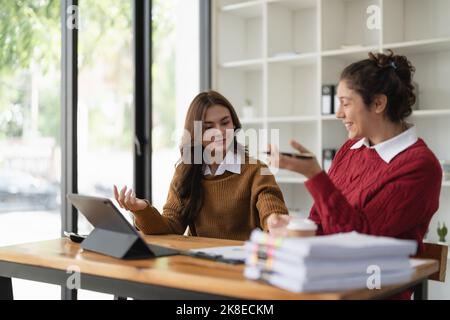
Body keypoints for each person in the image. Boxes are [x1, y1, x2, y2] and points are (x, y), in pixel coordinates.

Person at [268, 51, 442, 299]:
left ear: (378, 104)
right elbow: (323, 222)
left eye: (346, 103)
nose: (338, 113)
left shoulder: (420, 167)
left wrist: (315, 176)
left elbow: (358, 244)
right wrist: (298, 228)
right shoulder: (350, 150)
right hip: (328, 284)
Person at [114, 90, 288, 241]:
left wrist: (274, 220)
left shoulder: (256, 170)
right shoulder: (185, 171)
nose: (219, 132)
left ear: (234, 124)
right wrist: (141, 209)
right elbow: (171, 227)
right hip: (198, 262)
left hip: (242, 265)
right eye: (208, 127)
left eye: (225, 122)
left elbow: (270, 209)